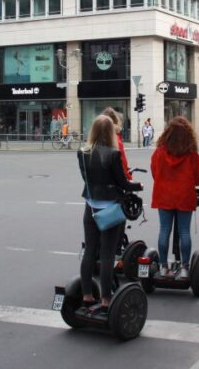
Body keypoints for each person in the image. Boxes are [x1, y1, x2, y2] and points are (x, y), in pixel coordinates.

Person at [77, 115, 143, 313]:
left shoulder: (82, 153)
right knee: (107, 255)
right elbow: (122, 183)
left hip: (91, 207)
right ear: (109, 133)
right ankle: (106, 298)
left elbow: (85, 177)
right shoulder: (113, 154)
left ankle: (87, 294)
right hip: (110, 209)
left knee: (90, 250)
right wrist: (139, 185)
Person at [150, 117, 199, 279]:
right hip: (184, 196)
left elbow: (154, 172)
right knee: (184, 232)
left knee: (164, 230)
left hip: (164, 195)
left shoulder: (159, 152)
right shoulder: (192, 154)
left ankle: (163, 266)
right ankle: (185, 268)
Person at [101, 107, 131, 180]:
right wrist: (129, 178)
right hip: (113, 181)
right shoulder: (115, 138)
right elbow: (122, 162)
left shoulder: (96, 136)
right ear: (117, 121)